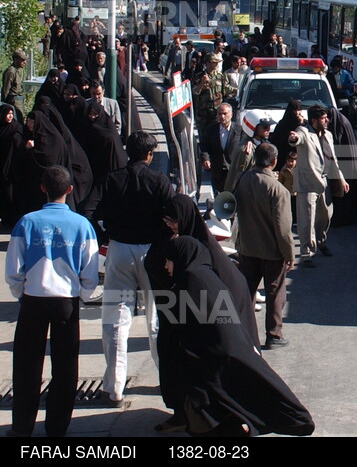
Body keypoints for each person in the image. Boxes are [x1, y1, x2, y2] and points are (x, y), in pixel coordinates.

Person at [144, 194, 260, 433]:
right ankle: (182, 414)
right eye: (166, 219)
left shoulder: (201, 248)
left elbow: (220, 288)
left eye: (173, 219)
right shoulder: (167, 240)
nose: (169, 224)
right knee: (173, 364)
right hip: (175, 313)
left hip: (202, 321)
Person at [81, 131, 176, 406]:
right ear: (149, 155)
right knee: (157, 319)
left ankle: (113, 387)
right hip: (150, 253)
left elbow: (87, 211)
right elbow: (173, 215)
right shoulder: (159, 181)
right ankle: (166, 379)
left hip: (119, 250)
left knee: (115, 319)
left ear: (127, 151)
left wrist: (104, 239)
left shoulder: (111, 180)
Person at [5, 166, 99, 437]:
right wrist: (81, 294)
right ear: (70, 190)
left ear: (42, 188)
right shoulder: (82, 225)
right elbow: (90, 271)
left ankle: (22, 427)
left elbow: (13, 268)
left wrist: (20, 292)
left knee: (26, 366)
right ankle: (57, 427)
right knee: (66, 367)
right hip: (66, 303)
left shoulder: (27, 222)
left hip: (34, 299)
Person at [233, 143, 297, 349]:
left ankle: (245, 335)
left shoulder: (242, 180)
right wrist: (289, 254)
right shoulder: (278, 189)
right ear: (274, 162)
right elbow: (283, 228)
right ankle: (274, 335)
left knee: (247, 292)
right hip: (272, 251)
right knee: (275, 294)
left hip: (247, 248)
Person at [288, 105, 349, 265]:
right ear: (314, 120)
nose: (327, 120)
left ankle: (321, 241)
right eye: (323, 118)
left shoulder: (328, 134)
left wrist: (341, 178)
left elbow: (333, 159)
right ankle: (307, 252)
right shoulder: (304, 132)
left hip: (324, 181)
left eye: (327, 117)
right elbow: (296, 139)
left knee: (326, 216)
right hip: (307, 184)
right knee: (306, 221)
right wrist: (294, 138)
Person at [200, 103, 242, 196]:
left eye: (225, 114)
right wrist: (206, 159)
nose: (222, 117)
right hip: (217, 169)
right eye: (219, 114)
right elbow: (204, 146)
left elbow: (244, 145)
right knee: (220, 196)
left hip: (233, 169)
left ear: (231, 114)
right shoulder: (211, 130)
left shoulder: (239, 130)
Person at [193, 53, 237, 135]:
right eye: (214, 62)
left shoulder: (220, 76)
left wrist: (236, 90)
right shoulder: (199, 76)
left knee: (216, 136)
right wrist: (202, 83)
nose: (216, 64)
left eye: (217, 62)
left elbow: (226, 88)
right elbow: (195, 92)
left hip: (216, 113)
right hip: (203, 113)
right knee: (204, 137)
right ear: (207, 63)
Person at [0, 104, 24, 226]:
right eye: (7, 113)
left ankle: (12, 219)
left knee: (11, 193)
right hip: (2, 164)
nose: (9, 116)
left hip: (13, 167)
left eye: (11, 113)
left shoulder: (16, 128)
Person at [2, 50, 27, 121]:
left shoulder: (17, 70)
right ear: (16, 59)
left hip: (18, 100)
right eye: (22, 60)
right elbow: (6, 89)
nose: (24, 62)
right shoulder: (11, 71)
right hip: (13, 101)